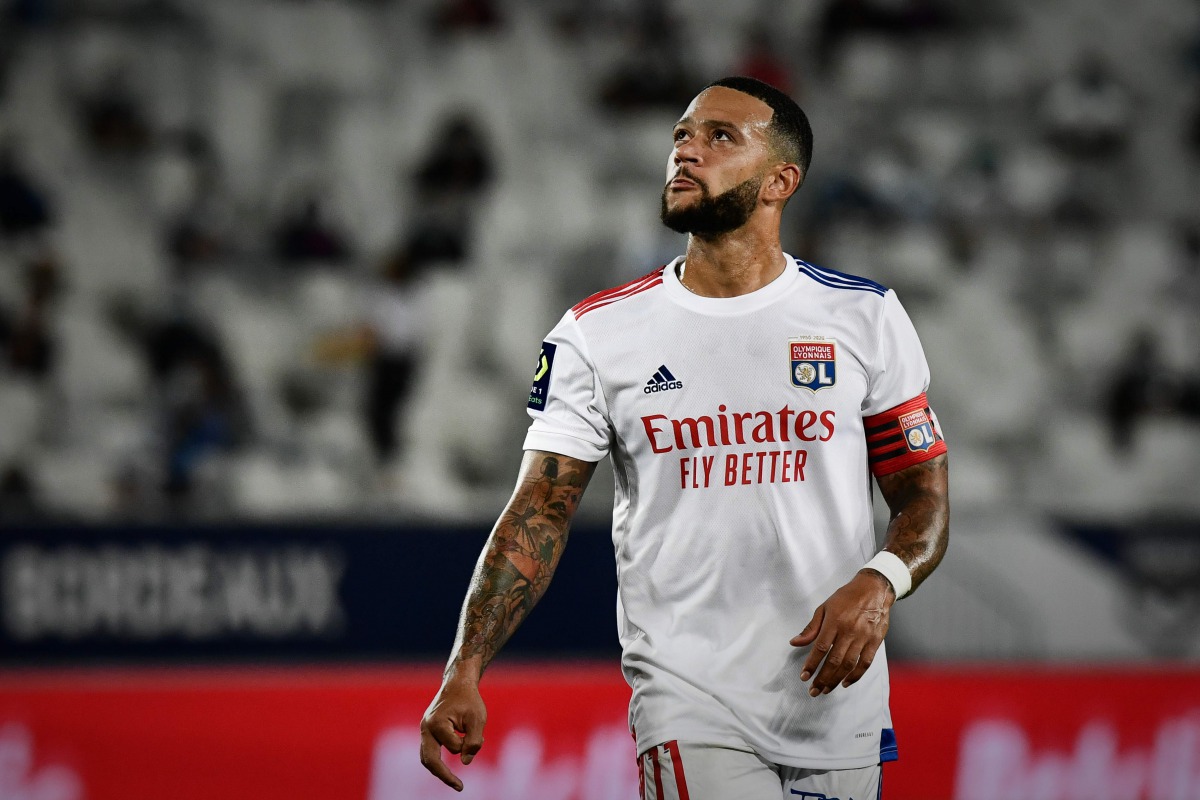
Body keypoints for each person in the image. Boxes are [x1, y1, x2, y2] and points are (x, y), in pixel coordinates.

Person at [420, 76, 949, 798]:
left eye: (719, 137)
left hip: (838, 704)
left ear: (780, 181)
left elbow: (924, 498)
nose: (686, 152)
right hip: (690, 700)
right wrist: (465, 667)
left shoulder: (864, 317)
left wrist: (881, 581)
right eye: (681, 136)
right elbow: (538, 510)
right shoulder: (596, 333)